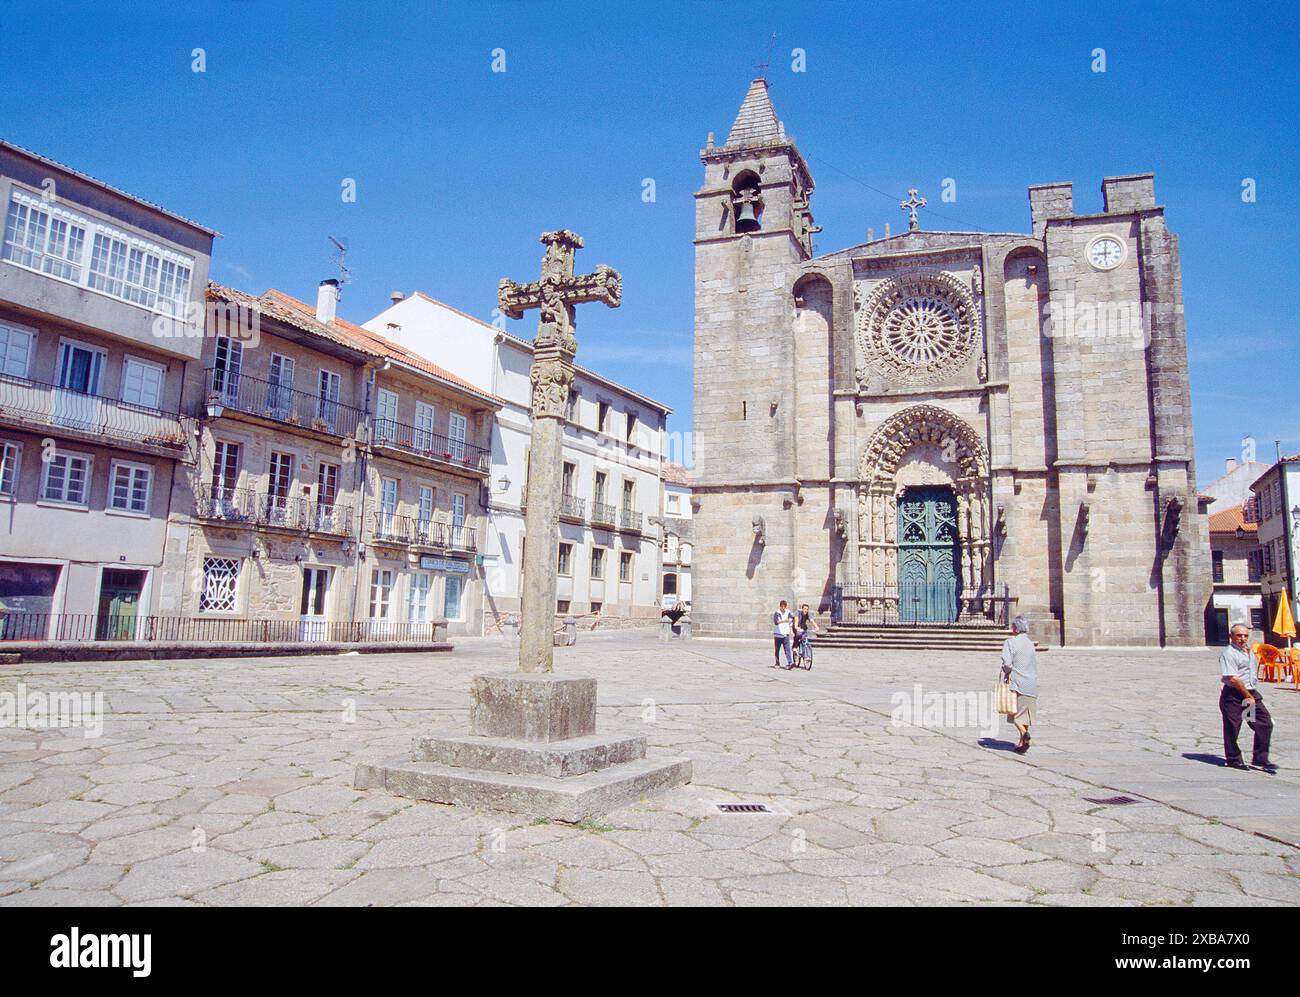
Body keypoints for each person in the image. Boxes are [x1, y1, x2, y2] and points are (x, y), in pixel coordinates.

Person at [1219, 624, 1276, 773]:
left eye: (1245, 635)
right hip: (1234, 696)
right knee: (1233, 727)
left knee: (1263, 723)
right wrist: (1248, 696)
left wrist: (1250, 694)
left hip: (1250, 693)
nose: (1242, 638)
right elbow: (1233, 679)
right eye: (1239, 635)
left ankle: (1260, 758)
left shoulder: (1249, 652)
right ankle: (1233, 759)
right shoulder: (1229, 653)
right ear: (1231, 636)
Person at [1000, 615, 1038, 754]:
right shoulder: (1030, 643)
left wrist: (1005, 670)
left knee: (1015, 714)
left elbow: (1007, 663)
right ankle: (1021, 743)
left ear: (1015, 628)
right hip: (1032, 683)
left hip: (1017, 682)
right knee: (1025, 714)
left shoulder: (1010, 642)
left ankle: (1023, 734)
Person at [771, 600, 795, 669]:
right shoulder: (777, 613)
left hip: (785, 634)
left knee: (787, 649)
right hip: (778, 634)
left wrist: (791, 631)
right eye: (782, 606)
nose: (783, 608)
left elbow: (791, 621)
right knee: (777, 649)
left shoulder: (788, 612)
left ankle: (790, 663)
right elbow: (776, 622)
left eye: (784, 606)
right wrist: (784, 621)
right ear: (780, 606)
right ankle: (777, 663)